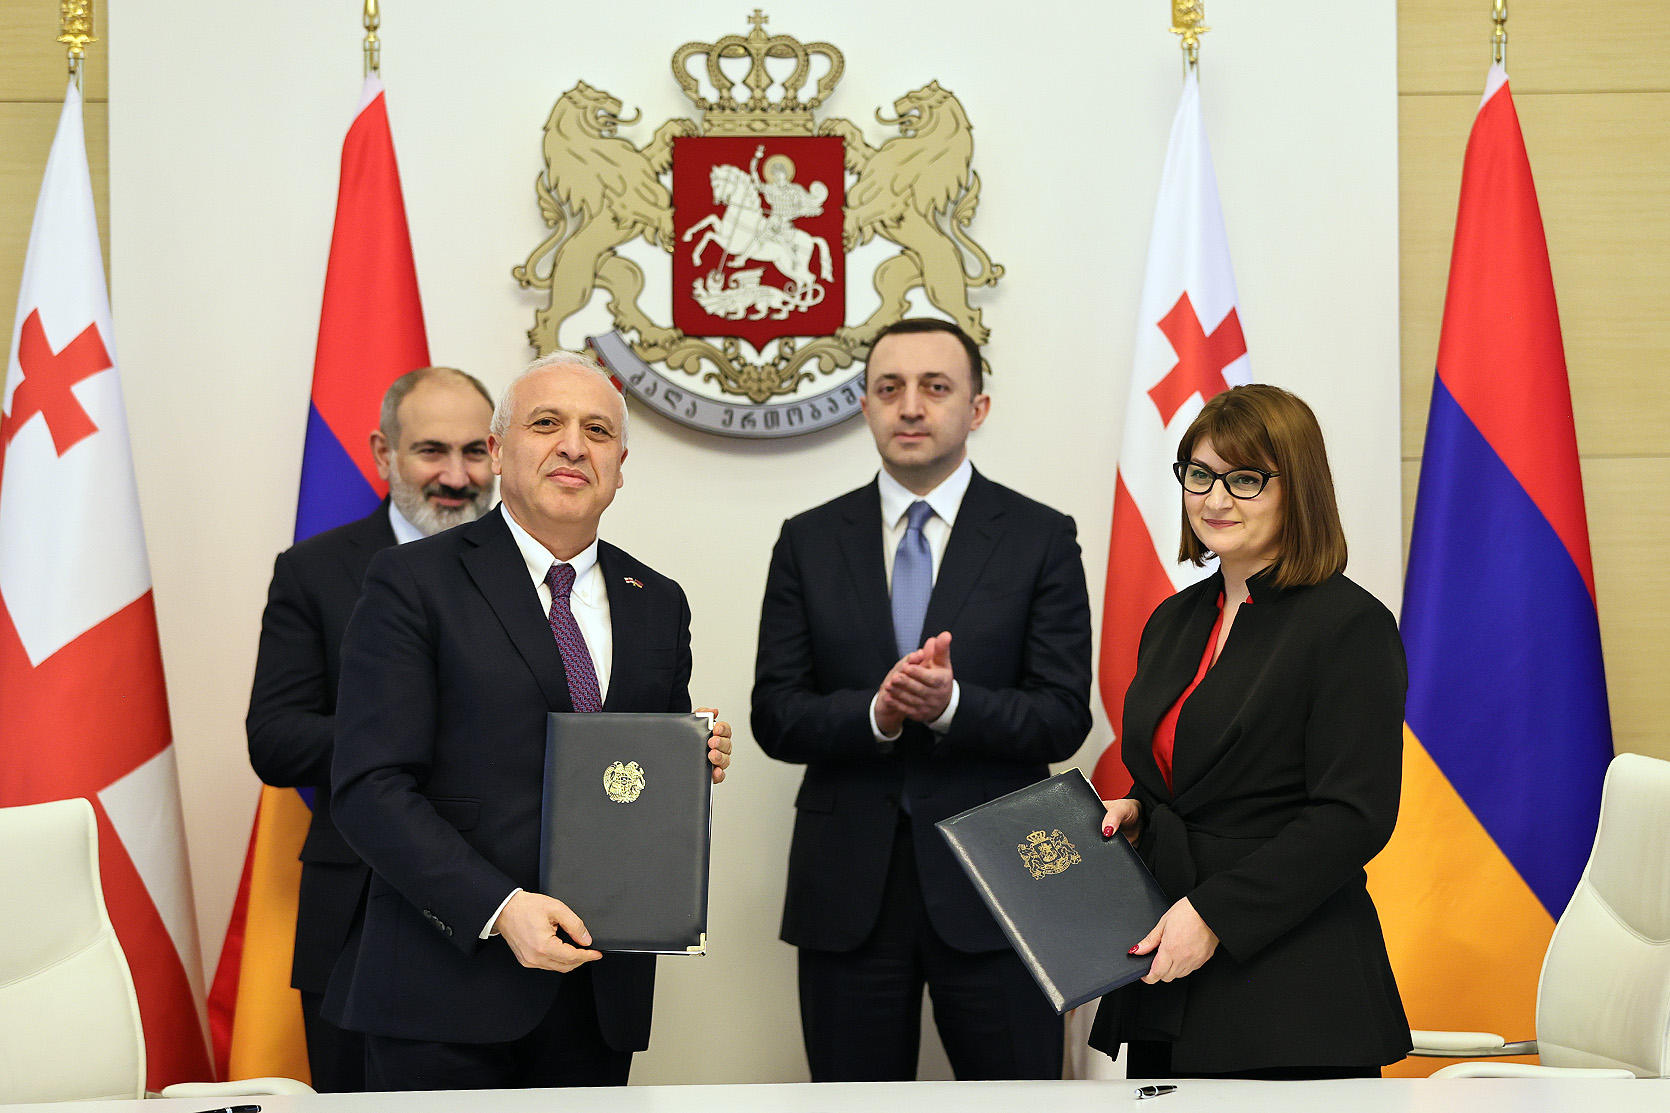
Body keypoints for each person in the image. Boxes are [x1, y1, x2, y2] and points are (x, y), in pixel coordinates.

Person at [324, 352, 733, 1090]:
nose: (574, 445)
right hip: (444, 993)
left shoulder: (657, 600)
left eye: (598, 431)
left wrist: (689, 753)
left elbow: (631, 777)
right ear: (497, 450)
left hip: (597, 993)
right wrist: (500, 907)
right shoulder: (412, 581)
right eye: (546, 424)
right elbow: (369, 789)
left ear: (620, 465)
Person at [752, 318, 1094, 1081]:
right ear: (865, 407)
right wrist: (877, 713)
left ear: (977, 408)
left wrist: (951, 705)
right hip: (848, 894)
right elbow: (775, 712)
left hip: (1002, 886)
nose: (910, 406)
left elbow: (1064, 714)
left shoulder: (1040, 536)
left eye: (935, 387)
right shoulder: (807, 540)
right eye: (889, 388)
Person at [1090, 384, 1411, 1079]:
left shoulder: (1350, 626)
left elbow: (1352, 815)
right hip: (1170, 964)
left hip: (1291, 985)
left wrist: (1214, 915)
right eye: (1199, 475)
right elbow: (1182, 774)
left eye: (1245, 479)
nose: (1214, 499)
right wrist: (1139, 809)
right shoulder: (1173, 619)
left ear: (1298, 488)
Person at [246, 365, 495, 1091]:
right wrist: (406, 732)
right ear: (384, 453)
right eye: (431, 451)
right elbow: (275, 739)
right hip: (357, 915)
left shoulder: (537, 568)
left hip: (508, 913)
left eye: (475, 451)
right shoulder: (314, 571)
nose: (456, 476)